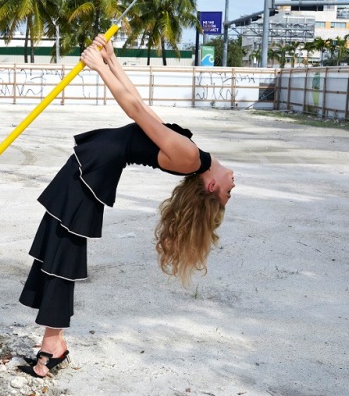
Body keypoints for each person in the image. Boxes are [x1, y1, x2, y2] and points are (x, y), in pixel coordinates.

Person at [17, 34, 235, 378]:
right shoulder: (193, 155)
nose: (231, 188)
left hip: (91, 173)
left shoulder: (190, 158)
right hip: (93, 169)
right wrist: (112, 59)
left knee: (61, 257)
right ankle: (53, 342)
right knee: (57, 252)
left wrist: (98, 69)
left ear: (211, 186)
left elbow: (133, 110)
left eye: (226, 194)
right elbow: (143, 108)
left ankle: (52, 345)